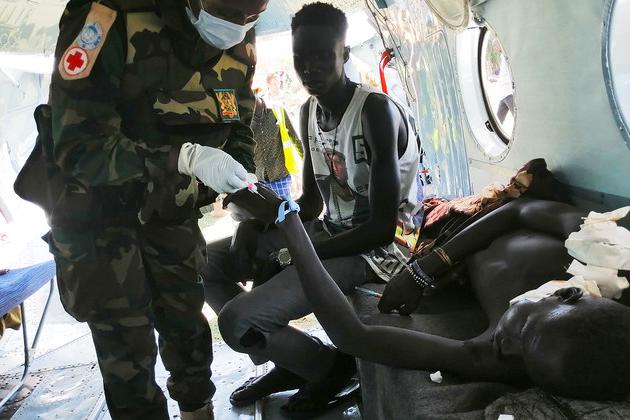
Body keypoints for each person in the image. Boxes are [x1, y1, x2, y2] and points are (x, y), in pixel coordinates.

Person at [44, 0, 268, 418]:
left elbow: (236, 118)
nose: (237, 24)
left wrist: (239, 170)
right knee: (127, 356)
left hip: (171, 215)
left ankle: (198, 411)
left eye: (251, 14)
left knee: (188, 329)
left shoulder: (240, 33)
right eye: (226, 10)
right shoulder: (107, 17)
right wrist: (183, 157)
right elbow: (79, 148)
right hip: (99, 222)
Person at [202, 2, 421, 415]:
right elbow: (310, 204)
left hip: (380, 254)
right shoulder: (309, 111)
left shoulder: (375, 111)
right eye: (301, 58)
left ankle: (328, 369)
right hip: (333, 232)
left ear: (344, 54)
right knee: (207, 262)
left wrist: (293, 253)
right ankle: (293, 361)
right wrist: (252, 224)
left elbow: (381, 229)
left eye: (322, 56)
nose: (309, 69)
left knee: (236, 322)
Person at [226, 189, 630, 401]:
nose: (506, 345)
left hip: (452, 262)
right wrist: (426, 268)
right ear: (568, 296)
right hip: (460, 235)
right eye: (526, 332)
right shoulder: (605, 250)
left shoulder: (499, 355)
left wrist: (290, 222)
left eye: (520, 360)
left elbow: (354, 337)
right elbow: (516, 209)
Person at [251, 73, 303, 199]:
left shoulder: (278, 112)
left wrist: (307, 161)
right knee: (265, 211)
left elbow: (295, 138)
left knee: (286, 208)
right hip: (258, 180)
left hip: (280, 175)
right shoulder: (246, 121)